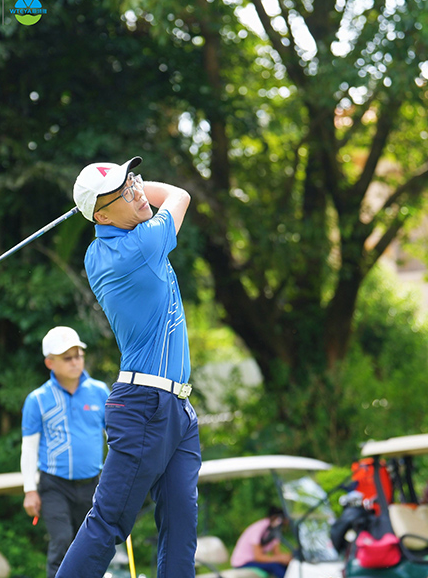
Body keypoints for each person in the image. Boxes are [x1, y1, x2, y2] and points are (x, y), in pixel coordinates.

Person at [55, 157, 200, 578]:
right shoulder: (139, 247)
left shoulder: (100, 249)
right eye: (123, 192)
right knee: (109, 522)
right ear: (101, 216)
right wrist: (136, 190)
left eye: (134, 180)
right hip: (145, 405)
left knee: (181, 530)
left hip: (176, 408)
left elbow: (145, 202)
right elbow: (179, 195)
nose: (137, 192)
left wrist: (124, 190)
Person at [21, 326, 110, 578]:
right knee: (62, 541)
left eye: (78, 355)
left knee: (92, 545)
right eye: (67, 357)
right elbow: (29, 448)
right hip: (54, 485)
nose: (75, 362)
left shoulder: (100, 391)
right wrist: (30, 490)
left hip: (93, 483)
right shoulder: (37, 399)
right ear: (50, 362)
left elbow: (115, 437)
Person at [230, 507, 293, 578]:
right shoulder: (259, 528)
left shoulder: (275, 530)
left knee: (288, 566)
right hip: (244, 563)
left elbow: (276, 553)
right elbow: (258, 557)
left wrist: (287, 558)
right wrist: (280, 558)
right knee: (275, 566)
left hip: (255, 561)